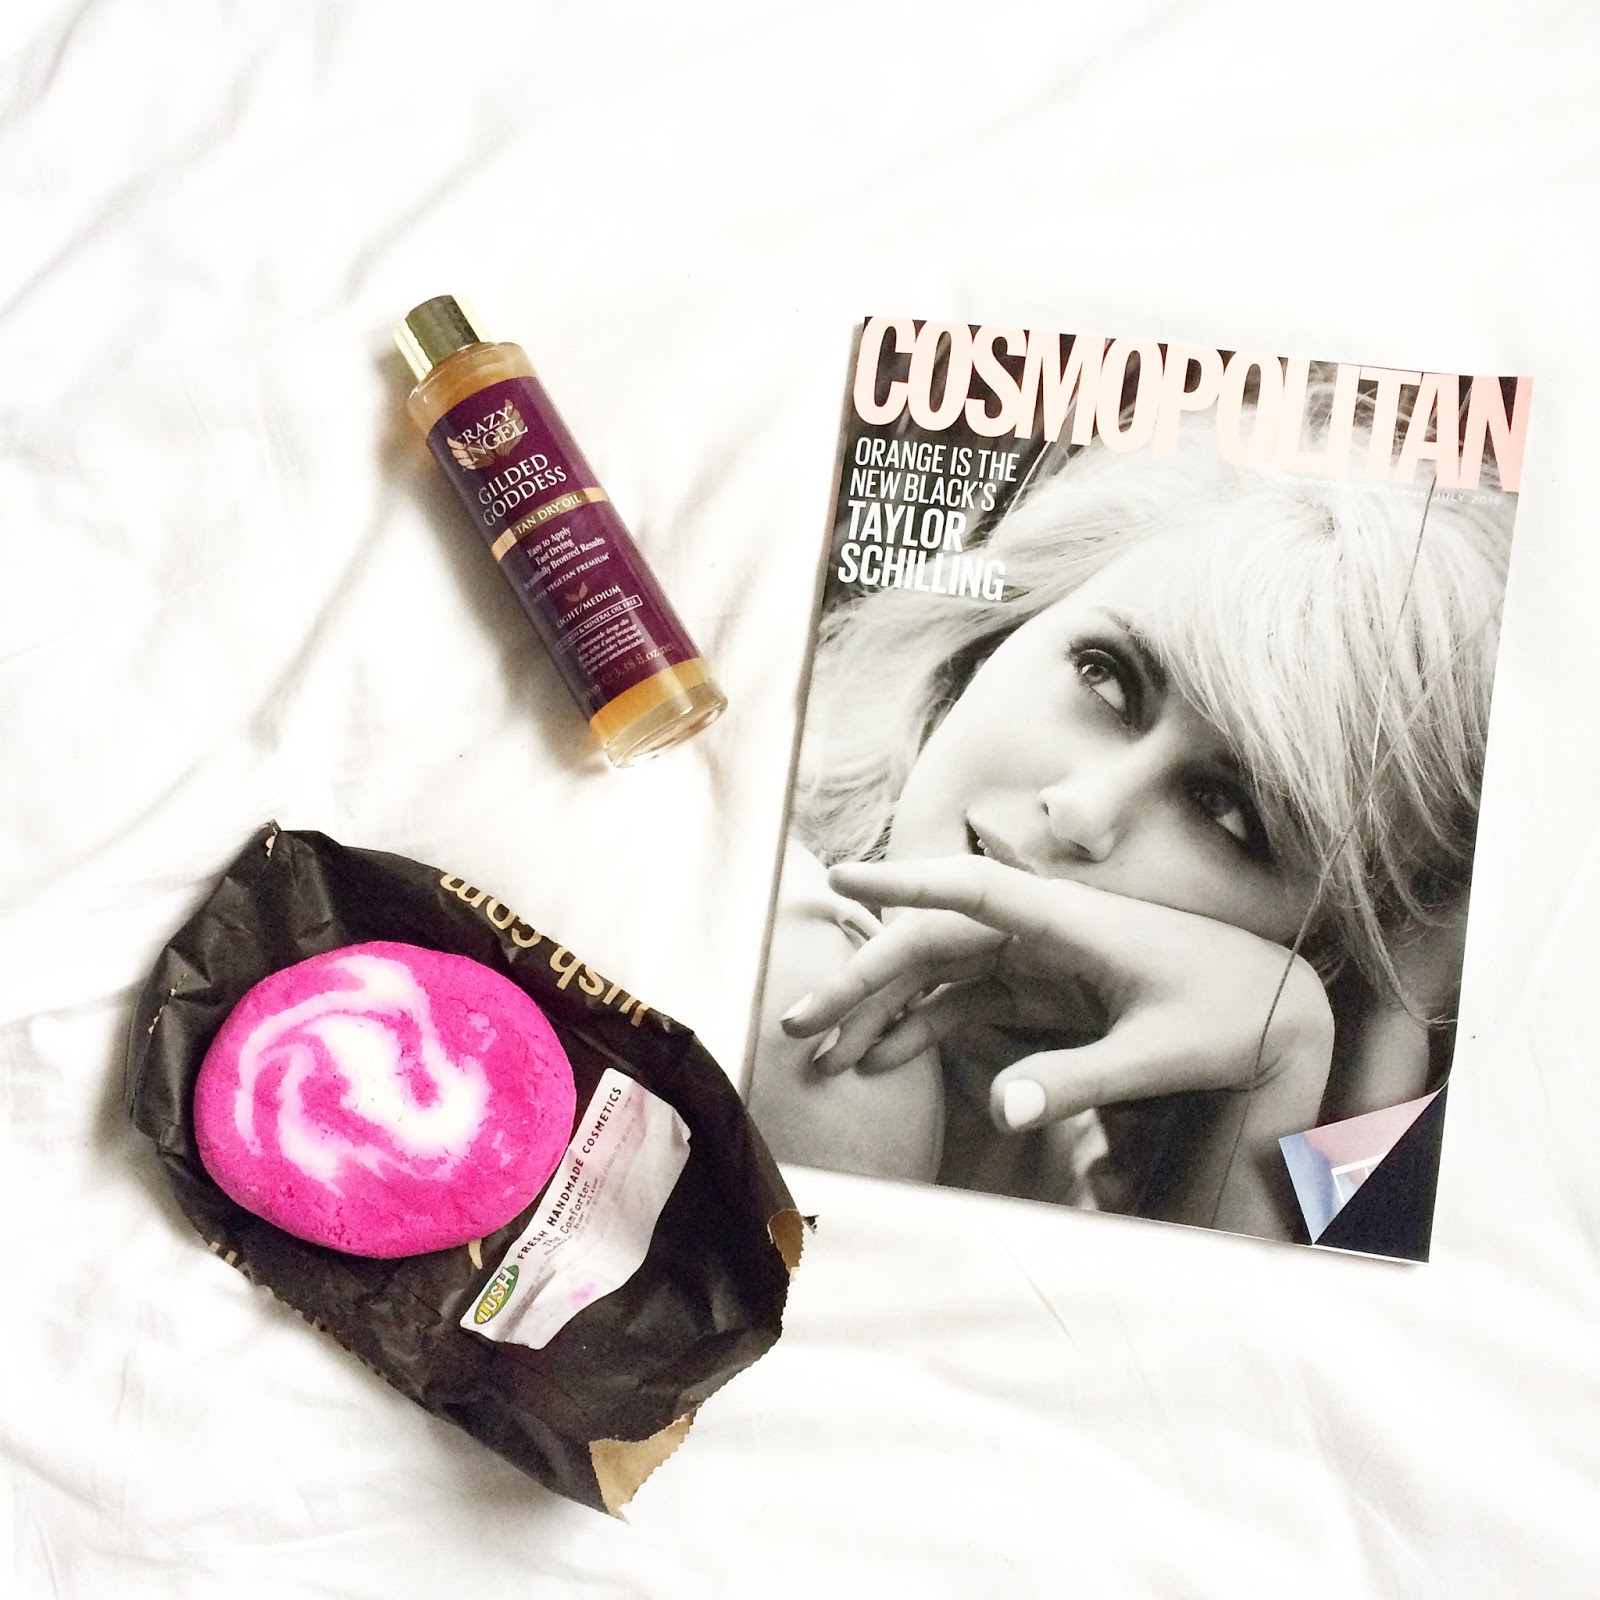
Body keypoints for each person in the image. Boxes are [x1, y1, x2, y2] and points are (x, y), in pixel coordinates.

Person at [746, 393, 1514, 1241]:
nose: (1084, 810)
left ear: (1315, 946)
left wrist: (1316, 1047)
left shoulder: (1064, 1141)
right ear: (996, 638)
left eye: (1227, 813)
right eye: (1104, 677)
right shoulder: (811, 1004)